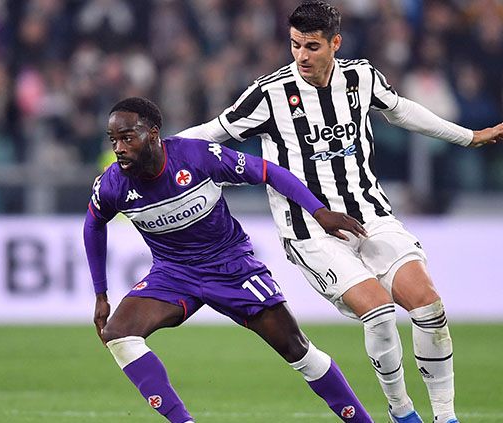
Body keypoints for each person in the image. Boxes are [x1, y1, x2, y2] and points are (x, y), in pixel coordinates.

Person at [177, 2, 503, 423]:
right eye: (295, 45)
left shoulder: (361, 78)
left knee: (429, 306)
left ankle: (445, 417)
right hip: (310, 230)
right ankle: (402, 412)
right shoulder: (270, 93)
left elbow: (402, 109)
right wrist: (154, 155)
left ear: (335, 43)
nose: (302, 56)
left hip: (370, 214)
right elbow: (211, 133)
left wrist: (468, 136)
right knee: (378, 310)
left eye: (312, 46)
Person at [84, 97, 375, 423]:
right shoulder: (113, 184)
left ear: (153, 134)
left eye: (127, 137)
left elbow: (269, 172)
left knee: (298, 350)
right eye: (114, 140)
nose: (119, 148)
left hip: (231, 267)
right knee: (119, 334)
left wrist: (319, 212)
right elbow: (93, 224)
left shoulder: (195, 156)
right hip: (173, 272)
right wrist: (101, 294)